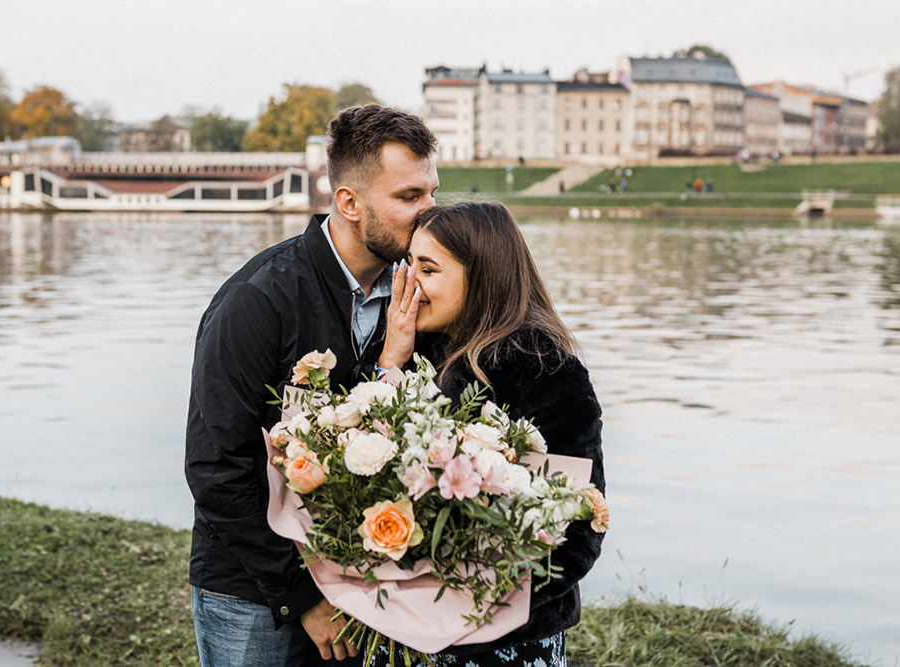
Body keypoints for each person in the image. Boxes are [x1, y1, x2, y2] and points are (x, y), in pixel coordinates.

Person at [184, 104, 439, 667]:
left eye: (431, 193)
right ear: (348, 202)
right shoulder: (258, 300)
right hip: (252, 593)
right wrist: (302, 596)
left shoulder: (418, 298)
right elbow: (215, 469)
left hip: (366, 590)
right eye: (409, 196)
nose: (429, 213)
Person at [372, 201, 605, 666]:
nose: (408, 281)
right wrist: (391, 362)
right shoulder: (421, 348)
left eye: (429, 268)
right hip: (407, 630)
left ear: (481, 276)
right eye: (409, 264)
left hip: (503, 639)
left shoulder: (544, 368)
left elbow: (581, 529)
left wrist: (471, 600)